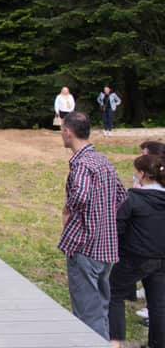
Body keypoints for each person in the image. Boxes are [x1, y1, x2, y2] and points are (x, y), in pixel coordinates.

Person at [58, 111, 127, 341]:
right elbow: (121, 196)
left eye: (62, 131)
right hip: (106, 247)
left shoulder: (82, 164)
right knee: (101, 308)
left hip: (85, 247)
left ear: (68, 132)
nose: (62, 134)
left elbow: (80, 195)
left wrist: (67, 211)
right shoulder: (103, 161)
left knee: (87, 314)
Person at [109, 153, 165, 348]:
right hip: (162, 257)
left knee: (114, 293)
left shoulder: (133, 198)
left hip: (135, 256)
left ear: (141, 174)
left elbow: (117, 227)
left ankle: (115, 342)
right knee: (158, 303)